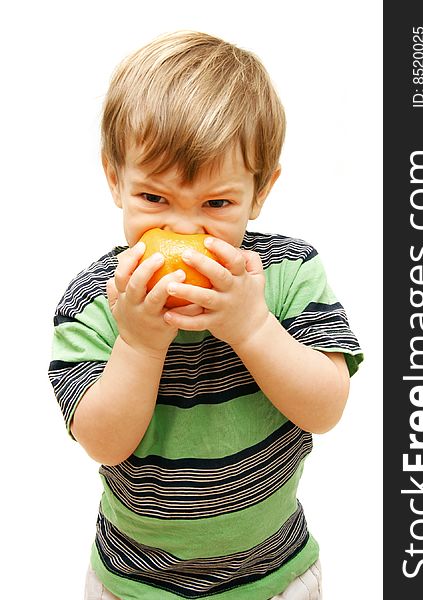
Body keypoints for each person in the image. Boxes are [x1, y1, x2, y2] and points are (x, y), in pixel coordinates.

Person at [48, 30, 363, 600]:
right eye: (155, 199)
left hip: (274, 576)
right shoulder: (96, 299)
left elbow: (326, 407)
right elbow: (102, 441)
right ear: (115, 180)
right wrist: (140, 344)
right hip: (136, 582)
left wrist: (252, 326)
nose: (187, 229)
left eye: (216, 204)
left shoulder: (289, 275)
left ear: (260, 192)